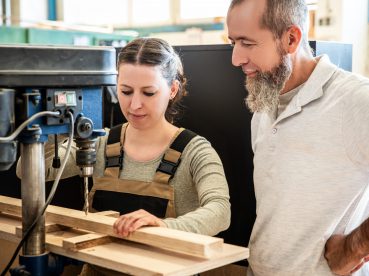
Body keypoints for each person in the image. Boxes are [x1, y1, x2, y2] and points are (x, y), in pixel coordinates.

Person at [226, 0, 369, 275]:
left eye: (247, 43)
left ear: (291, 38)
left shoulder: (354, 100)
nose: (235, 58)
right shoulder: (263, 106)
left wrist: (355, 246)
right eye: (233, 42)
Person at [17, 37, 231, 274]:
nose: (134, 105)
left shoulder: (194, 151)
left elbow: (220, 210)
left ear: (172, 90)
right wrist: (47, 122)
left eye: (148, 93)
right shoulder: (99, 143)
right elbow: (28, 172)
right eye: (126, 91)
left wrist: (164, 226)